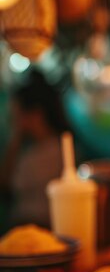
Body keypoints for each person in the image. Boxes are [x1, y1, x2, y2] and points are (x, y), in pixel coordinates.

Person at [0, 70, 70, 230]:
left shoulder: (53, 152)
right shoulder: (33, 148)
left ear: (35, 114)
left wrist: (15, 138)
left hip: (38, 229)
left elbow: (5, 185)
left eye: (17, 116)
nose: (14, 123)